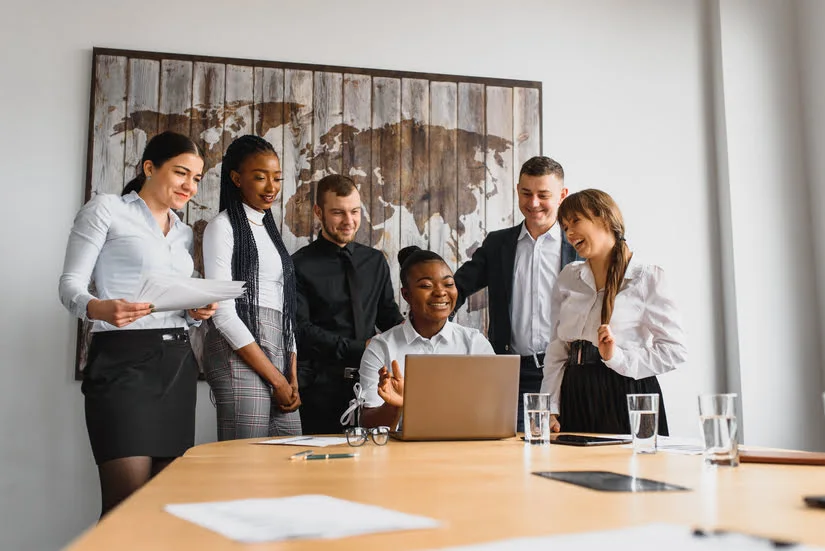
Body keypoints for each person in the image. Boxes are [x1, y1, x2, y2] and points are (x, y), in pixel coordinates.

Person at [58, 131, 217, 517]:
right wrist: (98, 308)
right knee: (124, 507)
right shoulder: (107, 210)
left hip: (176, 364)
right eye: (181, 173)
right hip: (122, 362)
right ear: (150, 167)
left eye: (196, 178)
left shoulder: (182, 232)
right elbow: (69, 286)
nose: (190, 186)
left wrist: (194, 312)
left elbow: (169, 298)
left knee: (163, 507)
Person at [541, 189, 687, 435]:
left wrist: (617, 358)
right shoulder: (568, 277)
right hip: (574, 393)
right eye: (565, 227)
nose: (569, 233)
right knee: (572, 472)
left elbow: (675, 350)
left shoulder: (647, 277)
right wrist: (550, 405)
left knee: (633, 472)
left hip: (628, 395)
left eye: (575, 221)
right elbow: (557, 348)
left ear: (604, 217)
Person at [453, 156, 579, 431]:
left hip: (570, 372)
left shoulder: (581, 245)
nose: (533, 203)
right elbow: (457, 287)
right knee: (515, 456)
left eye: (543, 195)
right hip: (512, 374)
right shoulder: (498, 244)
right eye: (526, 193)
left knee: (571, 450)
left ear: (562, 195)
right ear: (517, 190)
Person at [202, 135, 301, 440]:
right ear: (236, 178)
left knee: (289, 455)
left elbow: (285, 310)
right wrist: (278, 381)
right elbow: (223, 315)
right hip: (238, 347)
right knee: (245, 460)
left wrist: (291, 375)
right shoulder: (222, 227)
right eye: (260, 177)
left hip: (277, 348)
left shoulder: (270, 230)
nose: (271, 187)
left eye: (276, 178)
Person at [292, 174, 404, 434]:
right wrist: (359, 347)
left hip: (374, 385)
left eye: (354, 211)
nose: (349, 221)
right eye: (338, 213)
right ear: (318, 212)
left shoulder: (375, 261)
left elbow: (388, 316)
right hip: (320, 388)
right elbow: (301, 329)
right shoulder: (298, 264)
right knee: (322, 469)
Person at [360, 247, 494, 429]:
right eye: (426, 286)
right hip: (402, 455)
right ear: (406, 295)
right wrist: (393, 405)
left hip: (465, 450)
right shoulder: (381, 347)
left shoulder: (475, 343)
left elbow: (495, 411)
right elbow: (367, 423)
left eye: (448, 284)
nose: (440, 292)